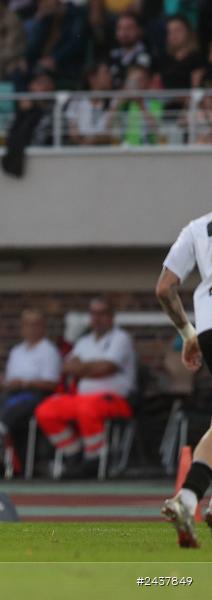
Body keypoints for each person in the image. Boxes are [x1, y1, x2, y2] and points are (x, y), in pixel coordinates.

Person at [34, 297, 137, 478]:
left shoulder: (121, 338)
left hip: (115, 400)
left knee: (87, 408)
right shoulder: (84, 341)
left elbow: (107, 368)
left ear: (111, 316)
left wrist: (82, 368)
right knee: (46, 410)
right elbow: (66, 367)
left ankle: (94, 458)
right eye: (94, 314)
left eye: (102, 314)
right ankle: (73, 453)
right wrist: (92, 367)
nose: (97, 319)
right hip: (80, 398)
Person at [157, 210, 212, 547]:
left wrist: (188, 334)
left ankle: (191, 500)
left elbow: (165, 288)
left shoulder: (197, 227)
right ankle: (189, 498)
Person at [0, 309, 61, 476]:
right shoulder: (17, 351)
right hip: (14, 393)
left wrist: (24, 383)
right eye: (26, 325)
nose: (30, 329)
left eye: (34, 325)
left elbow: (51, 383)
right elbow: (9, 378)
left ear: (42, 327)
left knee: (11, 409)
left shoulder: (48, 350)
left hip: (36, 395)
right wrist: (7, 382)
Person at [65, 62, 115, 146]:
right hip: (81, 150)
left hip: (106, 150)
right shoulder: (76, 102)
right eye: (106, 73)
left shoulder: (114, 101)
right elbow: (73, 134)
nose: (110, 77)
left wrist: (94, 140)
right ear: (92, 78)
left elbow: (112, 134)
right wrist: (84, 144)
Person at [107, 11, 152, 90]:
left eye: (129, 28)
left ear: (139, 30)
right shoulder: (111, 55)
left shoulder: (148, 54)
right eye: (120, 28)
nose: (124, 33)